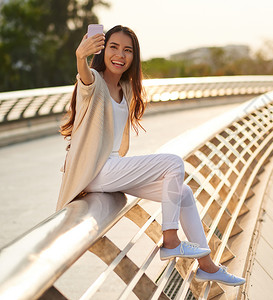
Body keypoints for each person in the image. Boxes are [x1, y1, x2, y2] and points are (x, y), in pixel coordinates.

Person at [57, 25, 245, 286]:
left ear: (134, 57)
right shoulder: (95, 82)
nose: (120, 55)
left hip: (112, 168)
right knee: (172, 163)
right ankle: (170, 240)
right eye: (113, 47)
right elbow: (85, 79)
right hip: (95, 171)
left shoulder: (126, 89)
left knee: (183, 192)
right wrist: (81, 58)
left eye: (127, 50)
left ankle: (208, 267)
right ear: (102, 50)